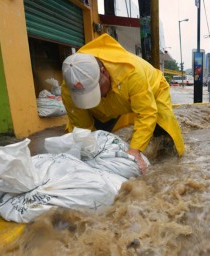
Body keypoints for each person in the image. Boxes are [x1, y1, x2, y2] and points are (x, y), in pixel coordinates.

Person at [61, 34, 185, 174]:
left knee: (165, 135)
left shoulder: (131, 74)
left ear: (104, 73)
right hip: (114, 100)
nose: (99, 97)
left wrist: (134, 151)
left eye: (97, 91)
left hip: (152, 90)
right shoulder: (70, 87)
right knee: (93, 143)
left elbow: (146, 113)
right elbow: (82, 127)